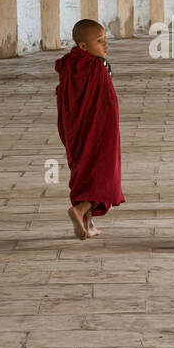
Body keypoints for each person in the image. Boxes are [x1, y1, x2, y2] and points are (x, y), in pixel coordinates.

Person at [55, 19, 124, 239]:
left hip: (75, 129)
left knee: (84, 171)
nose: (105, 45)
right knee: (104, 174)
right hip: (99, 131)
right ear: (84, 46)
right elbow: (108, 102)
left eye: (105, 40)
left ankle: (88, 224)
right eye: (99, 41)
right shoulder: (96, 67)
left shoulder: (68, 64)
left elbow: (65, 98)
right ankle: (80, 209)